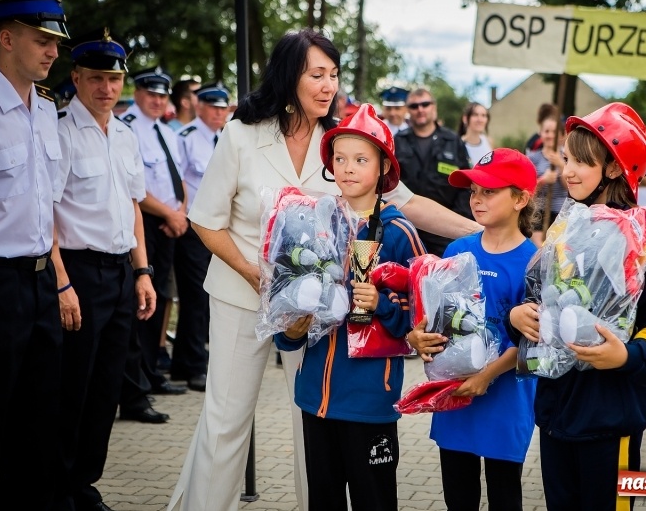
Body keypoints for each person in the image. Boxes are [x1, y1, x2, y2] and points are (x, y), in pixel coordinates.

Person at [167, 28, 481, 511]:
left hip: (316, 313)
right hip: (241, 294)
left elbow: (408, 203)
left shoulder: (341, 142)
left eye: (333, 75)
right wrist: (258, 275)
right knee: (226, 421)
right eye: (317, 75)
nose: (328, 85)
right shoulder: (242, 133)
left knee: (310, 420)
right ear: (290, 76)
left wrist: (482, 233)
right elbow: (205, 221)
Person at [506, 103, 646, 511]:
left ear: (616, 169)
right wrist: (517, 317)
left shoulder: (645, 239)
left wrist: (627, 355)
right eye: (567, 158)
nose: (568, 170)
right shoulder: (565, 228)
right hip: (555, 416)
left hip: (610, 420)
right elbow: (540, 300)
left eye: (582, 162)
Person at [275, 103, 425, 510]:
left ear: (384, 169)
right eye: (339, 158)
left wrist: (381, 305)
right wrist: (291, 329)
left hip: (369, 404)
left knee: (373, 500)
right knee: (322, 501)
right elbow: (283, 315)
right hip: (314, 399)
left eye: (361, 159)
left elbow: (422, 322)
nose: (347, 168)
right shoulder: (311, 222)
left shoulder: (397, 232)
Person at [49, 27, 157, 511]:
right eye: (95, 78)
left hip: (119, 271)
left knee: (107, 387)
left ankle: (85, 483)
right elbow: (44, 212)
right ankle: (59, 487)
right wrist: (61, 281)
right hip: (78, 270)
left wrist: (143, 271)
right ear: (76, 77)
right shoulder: (59, 131)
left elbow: (133, 207)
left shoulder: (126, 134)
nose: (106, 88)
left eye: (114, 79)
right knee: (73, 383)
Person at [408, 148, 539, 511]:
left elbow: (533, 340)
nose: (477, 200)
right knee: (458, 495)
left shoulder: (534, 261)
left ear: (520, 199)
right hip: (455, 396)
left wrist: (487, 375)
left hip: (504, 399)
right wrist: (417, 338)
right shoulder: (456, 250)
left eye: (489, 191)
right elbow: (435, 319)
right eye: (473, 191)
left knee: (504, 494)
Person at [0, 0, 68, 509]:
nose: (54, 51)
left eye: (56, 41)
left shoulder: (44, 107)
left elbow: (46, 205)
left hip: (40, 282)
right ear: (7, 38)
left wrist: (59, 278)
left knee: (36, 425)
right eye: (42, 40)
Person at [118, 66, 189, 398]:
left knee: (160, 298)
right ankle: (137, 378)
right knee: (142, 302)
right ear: (137, 93)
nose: (158, 101)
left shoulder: (168, 132)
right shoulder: (127, 128)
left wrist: (181, 213)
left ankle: (151, 371)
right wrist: (169, 214)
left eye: (163, 95)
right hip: (145, 222)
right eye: (152, 94)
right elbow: (137, 190)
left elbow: (179, 180)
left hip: (170, 224)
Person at [170, 81, 231, 391]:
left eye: (223, 108)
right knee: (195, 297)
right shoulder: (186, 137)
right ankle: (193, 365)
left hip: (220, 230)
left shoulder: (225, 138)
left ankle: (187, 360)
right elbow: (176, 179)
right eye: (214, 107)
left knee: (208, 296)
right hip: (194, 227)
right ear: (199, 106)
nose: (219, 113)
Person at [395, 87, 473, 256]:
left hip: (444, 231)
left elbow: (466, 185)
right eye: (414, 106)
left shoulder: (453, 141)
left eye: (425, 104)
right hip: (406, 229)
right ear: (408, 110)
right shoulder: (398, 142)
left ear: (434, 107)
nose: (420, 109)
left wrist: (456, 221)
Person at [527, 112, 567, 245]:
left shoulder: (568, 157)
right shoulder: (533, 158)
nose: (550, 135)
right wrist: (543, 180)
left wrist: (561, 165)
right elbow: (527, 190)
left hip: (561, 212)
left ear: (561, 135)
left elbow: (572, 189)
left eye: (554, 131)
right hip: (539, 212)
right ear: (541, 133)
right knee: (540, 249)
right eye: (547, 131)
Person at [458, 101, 494, 167]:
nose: (480, 119)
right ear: (465, 118)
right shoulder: (457, 144)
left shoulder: (488, 141)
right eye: (475, 115)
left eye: (483, 115)